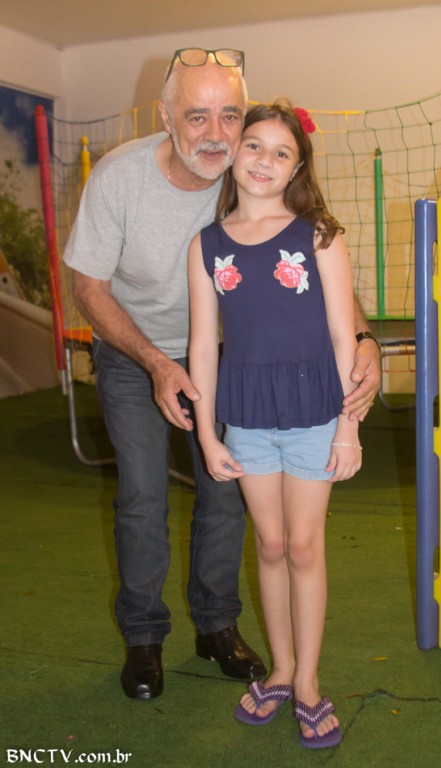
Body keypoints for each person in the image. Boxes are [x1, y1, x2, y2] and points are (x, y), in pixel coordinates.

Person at [63, 49, 380, 701]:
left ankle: (217, 627)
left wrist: (363, 339)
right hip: (136, 350)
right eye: (197, 116)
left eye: (229, 115)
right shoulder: (120, 179)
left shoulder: (249, 172)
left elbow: (319, 267)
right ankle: (145, 638)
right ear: (165, 117)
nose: (216, 133)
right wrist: (157, 363)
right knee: (143, 492)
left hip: (233, 364)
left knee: (226, 495)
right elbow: (88, 286)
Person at [188, 101, 363, 749]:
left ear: (297, 168)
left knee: (303, 546)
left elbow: (344, 337)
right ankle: (282, 669)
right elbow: (203, 345)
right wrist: (207, 433)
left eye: (281, 152)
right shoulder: (206, 245)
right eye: (254, 145)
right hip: (247, 416)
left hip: (315, 410)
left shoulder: (318, 235)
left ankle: (308, 681)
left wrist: (347, 426)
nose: (264, 160)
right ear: (234, 152)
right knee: (268, 545)